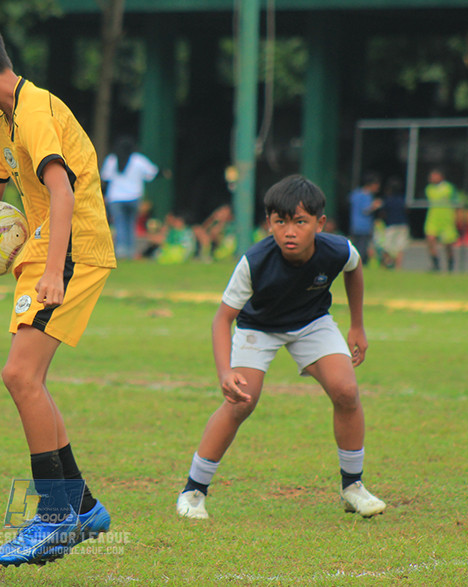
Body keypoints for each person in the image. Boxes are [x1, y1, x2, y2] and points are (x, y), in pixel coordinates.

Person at [0, 14, 117, 566]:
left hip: (72, 249)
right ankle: (83, 505)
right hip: (44, 252)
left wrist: (55, 270)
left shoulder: (34, 114)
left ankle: (55, 517)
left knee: (19, 375)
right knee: (29, 380)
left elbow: (61, 191)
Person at [175, 175, 386, 521]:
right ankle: (193, 492)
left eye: (300, 222)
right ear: (269, 223)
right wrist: (225, 373)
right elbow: (221, 320)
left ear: (319, 224)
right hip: (259, 327)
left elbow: (355, 266)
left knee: (346, 390)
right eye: (280, 222)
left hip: (311, 322)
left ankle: (353, 488)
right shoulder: (254, 262)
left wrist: (357, 325)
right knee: (241, 401)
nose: (290, 231)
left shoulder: (337, 249)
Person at [100, 135, 159, 259]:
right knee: (131, 223)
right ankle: (131, 251)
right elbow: (152, 173)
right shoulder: (138, 160)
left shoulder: (111, 159)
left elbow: (105, 178)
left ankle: (121, 251)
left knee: (119, 224)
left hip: (115, 198)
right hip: (134, 197)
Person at [424, 168, 459, 272]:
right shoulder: (429, 189)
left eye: (435, 176)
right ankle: (435, 264)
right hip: (433, 218)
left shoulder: (449, 188)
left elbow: (456, 202)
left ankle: (450, 263)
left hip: (446, 220)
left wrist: (456, 217)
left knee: (447, 244)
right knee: (430, 239)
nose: (433, 178)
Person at [348, 172, 383, 267]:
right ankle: (358, 266)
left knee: (356, 247)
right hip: (364, 227)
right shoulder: (366, 195)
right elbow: (365, 210)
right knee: (362, 249)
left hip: (355, 225)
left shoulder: (355, 193)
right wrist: (375, 205)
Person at [378, 176, 409, 269]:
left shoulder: (387, 200)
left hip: (390, 225)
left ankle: (388, 263)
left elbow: (382, 213)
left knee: (386, 247)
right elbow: (407, 211)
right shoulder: (402, 200)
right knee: (400, 247)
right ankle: (398, 267)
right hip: (403, 225)